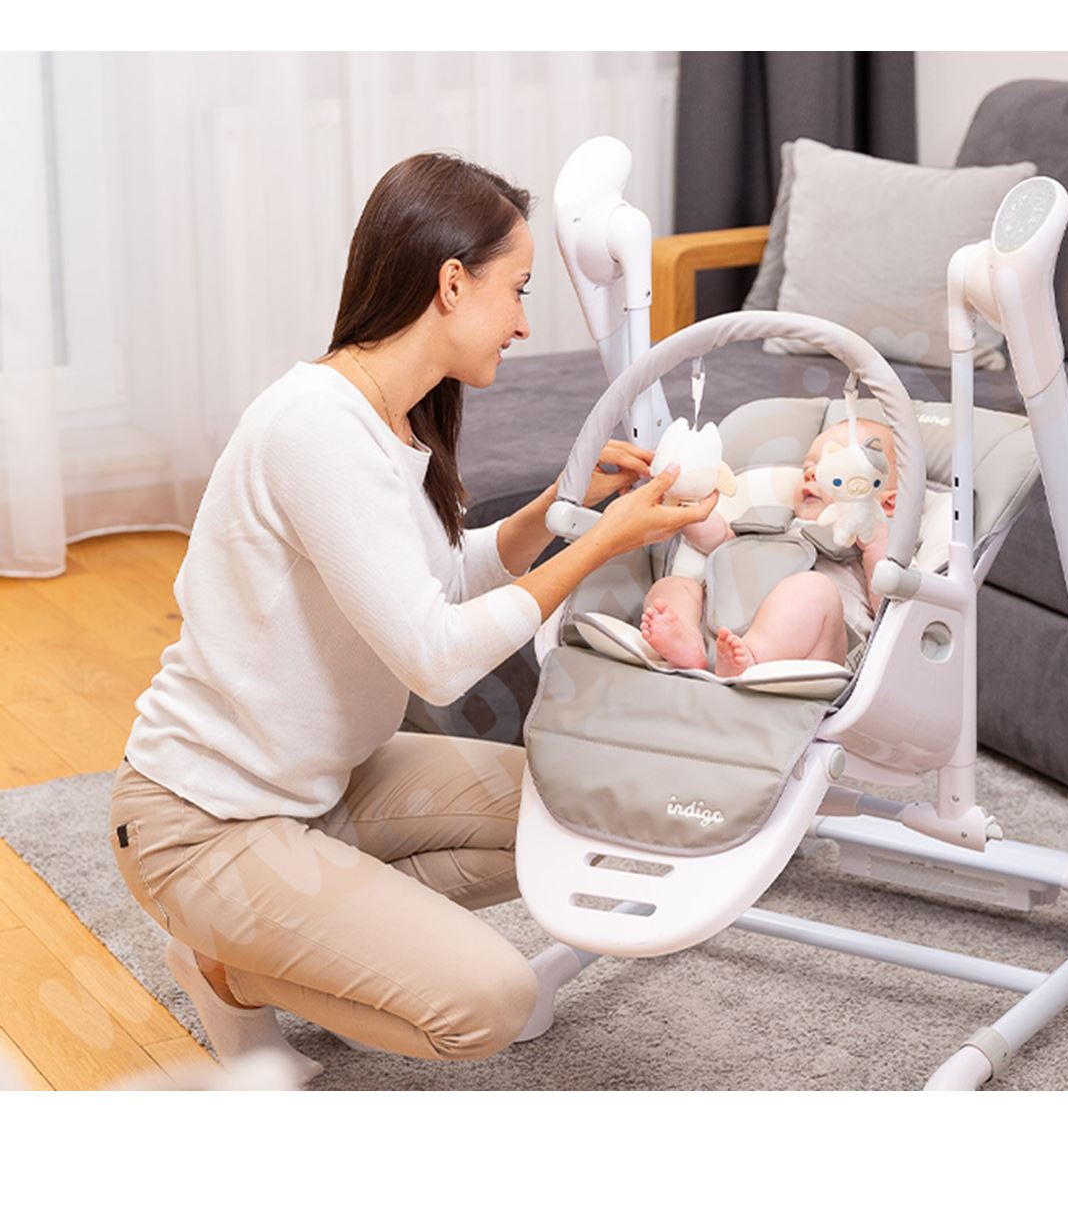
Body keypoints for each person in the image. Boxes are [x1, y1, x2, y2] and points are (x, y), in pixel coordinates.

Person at [109, 152, 718, 1084]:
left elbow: (442, 580)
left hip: (326, 786)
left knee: (570, 809)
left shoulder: (396, 420)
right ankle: (227, 964)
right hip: (204, 822)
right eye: (517, 291)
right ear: (451, 283)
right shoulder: (317, 427)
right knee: (488, 1003)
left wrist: (560, 508)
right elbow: (435, 658)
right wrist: (601, 546)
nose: (523, 323)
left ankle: (330, 933)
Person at [639, 419, 898, 676]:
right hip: (722, 637)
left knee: (815, 589)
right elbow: (723, 542)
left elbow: (892, 610)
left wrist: (875, 543)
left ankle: (752, 658)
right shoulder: (776, 523)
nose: (811, 473)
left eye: (835, 466)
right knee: (674, 586)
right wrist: (687, 508)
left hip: (813, 652)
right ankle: (688, 642)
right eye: (808, 467)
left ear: (887, 503)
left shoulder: (874, 543)